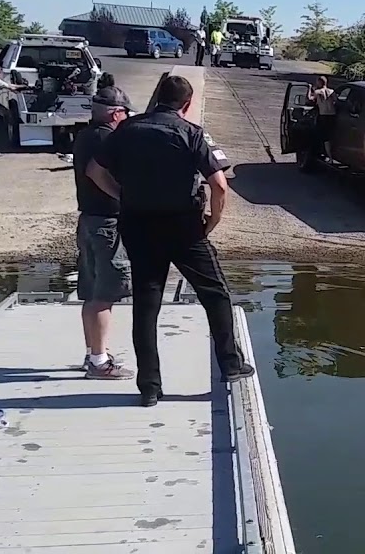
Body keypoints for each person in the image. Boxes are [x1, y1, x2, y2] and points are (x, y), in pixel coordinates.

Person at [87, 75, 254, 407]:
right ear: (187, 105)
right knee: (215, 294)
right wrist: (212, 222)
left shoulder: (127, 130)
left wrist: (122, 196)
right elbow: (219, 185)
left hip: (138, 225)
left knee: (147, 306)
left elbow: (94, 170)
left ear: (156, 97)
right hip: (184, 228)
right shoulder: (191, 133)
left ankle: (149, 387)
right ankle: (231, 366)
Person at [72, 86, 137, 380]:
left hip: (88, 220)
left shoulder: (85, 136)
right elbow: (95, 172)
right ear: (115, 113)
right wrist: (125, 197)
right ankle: (99, 364)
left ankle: (93, 353)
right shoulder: (107, 139)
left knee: (91, 292)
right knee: (105, 295)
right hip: (106, 225)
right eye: (124, 114)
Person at [307, 76, 336, 159]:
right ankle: (331, 154)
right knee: (331, 135)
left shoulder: (318, 92)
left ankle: (328, 155)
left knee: (323, 137)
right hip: (332, 115)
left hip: (323, 115)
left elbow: (309, 99)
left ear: (320, 82)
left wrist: (309, 89)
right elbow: (336, 101)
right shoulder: (332, 91)